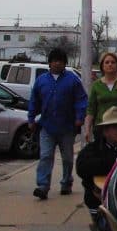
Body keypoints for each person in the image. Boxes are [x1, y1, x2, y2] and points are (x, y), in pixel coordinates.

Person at [29, 48, 88, 200]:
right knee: (46, 155)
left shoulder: (73, 80)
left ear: (64, 63)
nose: (57, 63)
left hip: (67, 127)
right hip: (47, 126)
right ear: (49, 63)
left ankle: (66, 182)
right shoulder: (41, 80)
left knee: (67, 158)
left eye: (60, 61)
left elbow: (81, 100)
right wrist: (31, 119)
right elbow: (34, 101)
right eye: (54, 60)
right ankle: (43, 186)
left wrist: (79, 117)